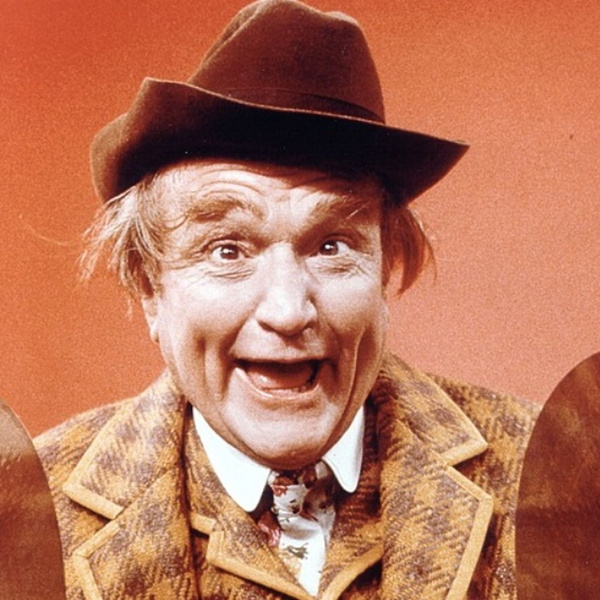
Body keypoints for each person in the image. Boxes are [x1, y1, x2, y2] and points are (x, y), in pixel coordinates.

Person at [35, 1, 538, 598]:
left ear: (384, 269)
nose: (288, 311)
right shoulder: (24, 508)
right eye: (227, 250)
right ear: (150, 287)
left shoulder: (555, 474)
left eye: (331, 247)